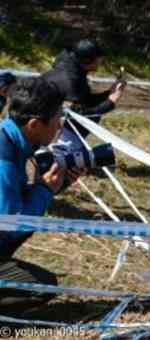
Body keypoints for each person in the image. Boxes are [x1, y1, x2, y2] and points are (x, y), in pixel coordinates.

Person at [0, 77, 83, 312]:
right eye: (57, 120)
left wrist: (57, 185)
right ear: (34, 124)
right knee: (42, 286)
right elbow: (11, 226)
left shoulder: (8, 138)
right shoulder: (3, 161)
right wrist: (44, 190)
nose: (59, 127)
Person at [42, 39, 125, 146]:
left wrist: (109, 93)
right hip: (42, 123)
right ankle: (64, 151)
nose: (101, 61)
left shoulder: (72, 62)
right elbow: (83, 116)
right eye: (98, 59)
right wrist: (111, 101)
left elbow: (85, 99)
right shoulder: (72, 81)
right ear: (88, 61)